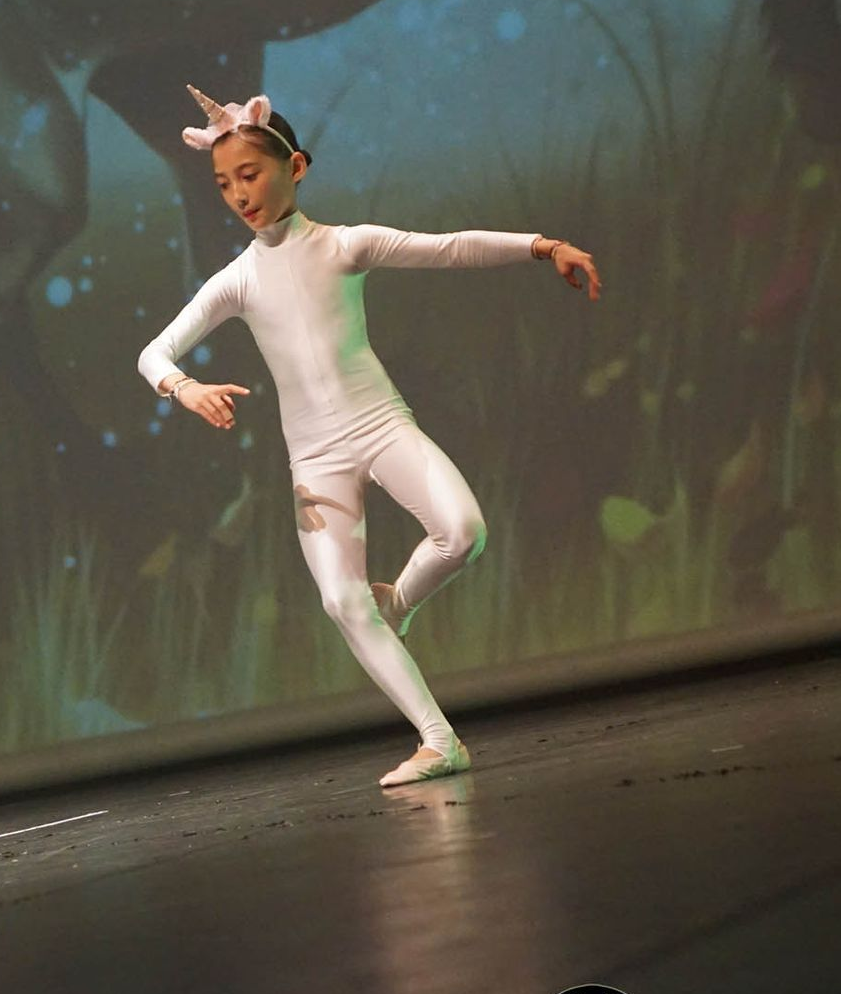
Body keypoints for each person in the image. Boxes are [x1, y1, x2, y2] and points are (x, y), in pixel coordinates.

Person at [138, 87, 602, 787]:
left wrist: (545, 246)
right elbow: (153, 354)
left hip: (380, 424)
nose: (238, 194)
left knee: (463, 531)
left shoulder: (343, 245)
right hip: (315, 460)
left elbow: (447, 249)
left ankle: (399, 604)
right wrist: (185, 387)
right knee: (339, 600)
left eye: (251, 175)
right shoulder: (235, 282)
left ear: (295, 166)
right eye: (224, 183)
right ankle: (438, 740)